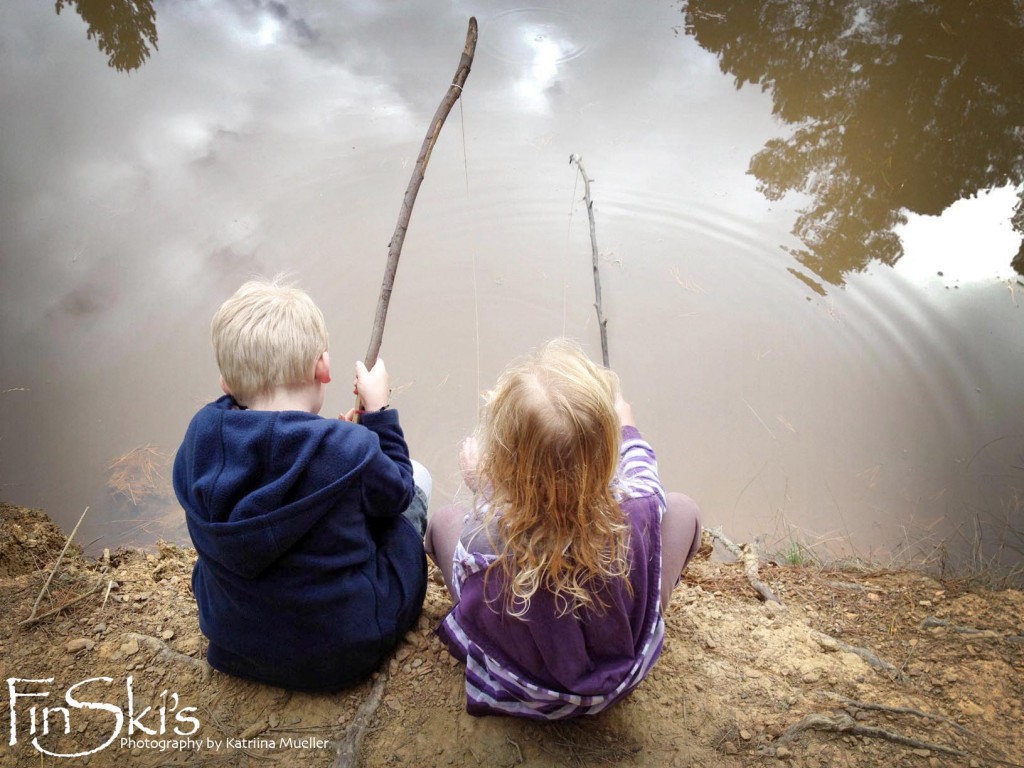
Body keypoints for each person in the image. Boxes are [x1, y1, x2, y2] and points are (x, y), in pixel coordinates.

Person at [173, 276, 429, 691]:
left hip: (233, 639)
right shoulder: (351, 449)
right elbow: (398, 490)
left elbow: (272, 450)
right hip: (342, 650)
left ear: (225, 383)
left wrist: (343, 439)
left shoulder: (200, 437)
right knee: (418, 481)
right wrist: (379, 414)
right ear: (322, 368)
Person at [425, 338, 702, 718]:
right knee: (682, 509)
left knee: (443, 522)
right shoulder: (635, 509)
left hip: (528, 688)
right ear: (607, 456)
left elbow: (467, 572)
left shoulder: (485, 543)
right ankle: (648, 608)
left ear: (504, 466)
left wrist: (484, 488)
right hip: (619, 677)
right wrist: (627, 429)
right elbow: (643, 471)